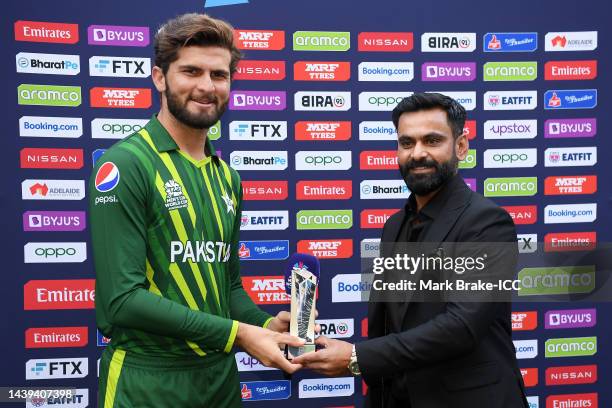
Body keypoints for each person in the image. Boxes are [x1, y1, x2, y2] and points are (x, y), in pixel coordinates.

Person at [90, 13, 303, 408]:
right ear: (160, 77)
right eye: (191, 71)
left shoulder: (228, 178)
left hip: (219, 380)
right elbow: (122, 299)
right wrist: (238, 335)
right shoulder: (127, 164)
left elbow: (228, 288)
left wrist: (264, 324)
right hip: (147, 380)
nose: (206, 86)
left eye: (219, 75)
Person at [293, 93, 529, 408]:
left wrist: (355, 357)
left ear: (461, 146)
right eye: (407, 143)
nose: (417, 154)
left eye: (432, 141)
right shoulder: (394, 226)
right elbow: (386, 326)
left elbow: (461, 326)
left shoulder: (486, 222)